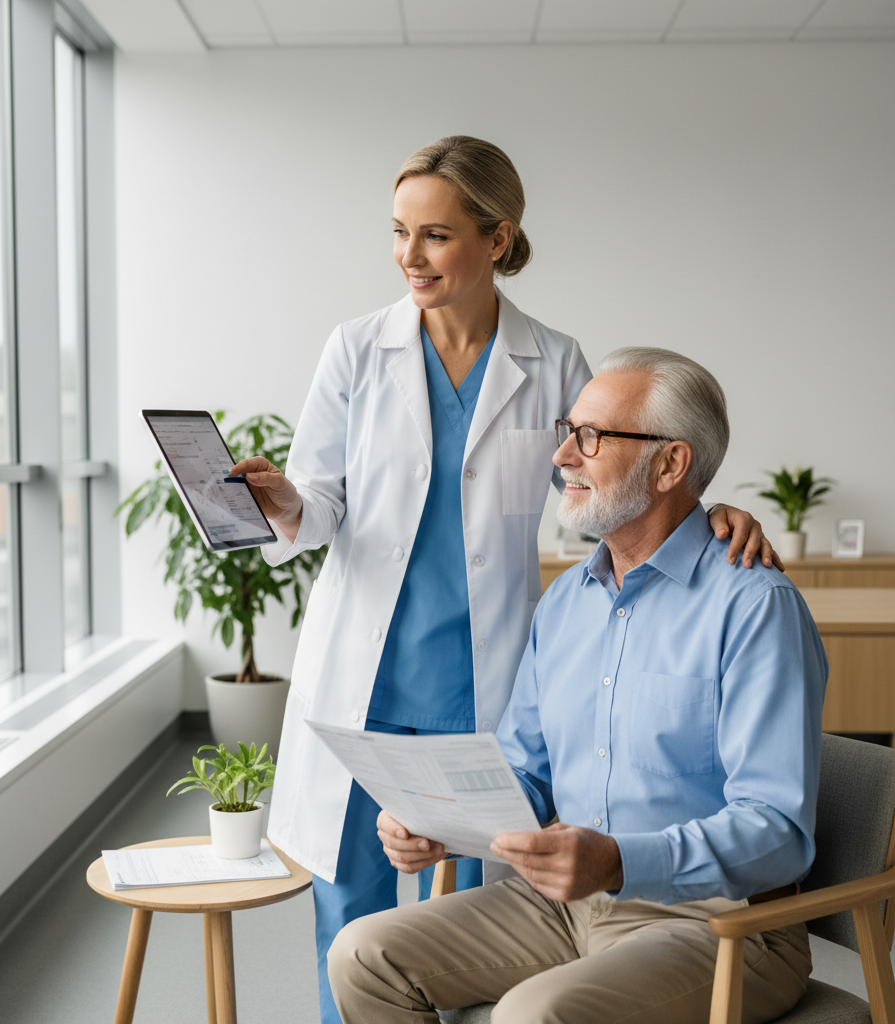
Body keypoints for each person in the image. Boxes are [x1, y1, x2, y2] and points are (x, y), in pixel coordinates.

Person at [229, 138, 778, 1024]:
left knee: (499, 901)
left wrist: (711, 514)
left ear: (497, 237)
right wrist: (287, 501)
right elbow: (321, 503)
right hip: (366, 673)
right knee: (353, 903)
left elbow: (606, 484)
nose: (410, 255)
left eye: (436, 235)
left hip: (489, 676)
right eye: (399, 232)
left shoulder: (553, 358)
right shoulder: (355, 349)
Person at [328, 347, 827, 1024]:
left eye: (591, 438)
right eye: (568, 431)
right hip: (565, 906)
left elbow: (778, 832)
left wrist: (619, 862)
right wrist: (439, 820)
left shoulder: (752, 606)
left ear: (670, 465)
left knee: (534, 1016)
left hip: (719, 924)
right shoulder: (566, 602)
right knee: (362, 955)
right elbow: (526, 775)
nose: (562, 456)